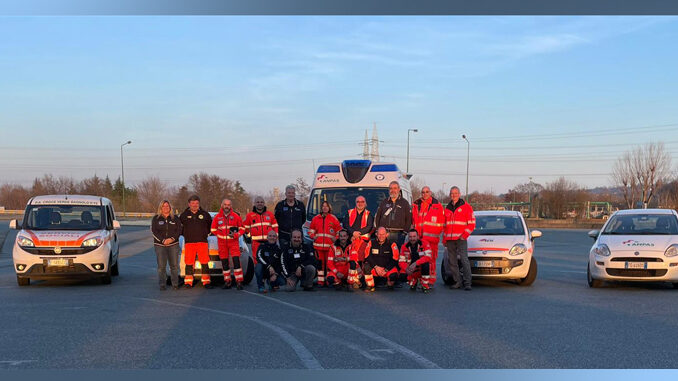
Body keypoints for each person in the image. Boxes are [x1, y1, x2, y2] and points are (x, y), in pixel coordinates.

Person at [443, 186, 476, 291]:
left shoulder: (466, 207)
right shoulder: (447, 208)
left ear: (459, 194)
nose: (454, 195)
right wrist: (444, 239)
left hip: (461, 239)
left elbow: (472, 224)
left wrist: (464, 235)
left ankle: (467, 283)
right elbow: (445, 225)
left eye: (456, 193)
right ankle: (457, 282)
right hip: (450, 240)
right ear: (450, 194)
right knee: (452, 262)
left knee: (464, 260)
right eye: (452, 193)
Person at [411, 186, 444, 286]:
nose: (425, 194)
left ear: (430, 192)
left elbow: (441, 223)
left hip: (432, 240)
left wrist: (435, 236)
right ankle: (421, 279)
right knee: (418, 259)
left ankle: (430, 280)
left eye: (427, 192)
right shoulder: (417, 205)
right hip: (419, 239)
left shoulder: (437, 205)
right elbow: (413, 221)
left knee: (431, 260)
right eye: (423, 192)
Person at [211, 199, 246, 290]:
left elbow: (242, 229)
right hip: (222, 243)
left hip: (233, 242)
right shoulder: (217, 217)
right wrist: (219, 235)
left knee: (236, 262)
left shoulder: (235, 216)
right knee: (225, 264)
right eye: (225, 204)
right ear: (222, 205)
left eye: (229, 204)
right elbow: (213, 229)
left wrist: (236, 235)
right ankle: (227, 281)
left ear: (231, 206)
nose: (227, 206)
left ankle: (239, 282)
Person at [179, 195, 213, 289]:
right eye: (193, 203)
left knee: (205, 261)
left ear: (199, 204)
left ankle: (206, 282)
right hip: (189, 242)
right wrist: (185, 234)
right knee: (189, 262)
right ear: (189, 204)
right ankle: (188, 282)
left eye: (196, 203)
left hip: (202, 242)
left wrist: (206, 233)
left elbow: (211, 226)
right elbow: (179, 228)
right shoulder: (183, 215)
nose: (195, 205)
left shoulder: (205, 214)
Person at [308, 201, 341, 286]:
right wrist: (313, 236)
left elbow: (339, 231)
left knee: (329, 264)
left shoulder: (333, 218)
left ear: (329, 208)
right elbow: (311, 230)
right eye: (323, 206)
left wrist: (336, 238)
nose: (324, 208)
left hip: (330, 247)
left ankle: (329, 281)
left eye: (326, 206)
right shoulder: (316, 218)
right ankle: (321, 282)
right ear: (321, 208)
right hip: (318, 247)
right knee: (320, 266)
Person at [151, 200, 182, 290]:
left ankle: (175, 284)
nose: (165, 208)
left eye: (167, 206)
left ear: (170, 207)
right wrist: (163, 240)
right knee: (161, 266)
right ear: (160, 208)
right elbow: (154, 231)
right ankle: (162, 284)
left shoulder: (175, 218)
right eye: (163, 206)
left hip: (173, 244)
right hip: (160, 245)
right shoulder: (156, 218)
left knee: (174, 266)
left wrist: (171, 239)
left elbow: (179, 230)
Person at [374, 181, 412, 248]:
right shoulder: (384, 202)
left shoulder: (404, 203)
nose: (393, 190)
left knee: (397, 254)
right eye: (391, 188)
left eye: (395, 188)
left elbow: (409, 219)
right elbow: (378, 217)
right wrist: (378, 230)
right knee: (385, 253)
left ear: (399, 189)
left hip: (399, 234)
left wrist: (405, 232)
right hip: (385, 234)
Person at [363, 227, 400, 292]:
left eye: (383, 234)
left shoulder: (392, 244)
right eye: (379, 234)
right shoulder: (371, 242)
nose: (381, 236)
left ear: (387, 234)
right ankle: (370, 285)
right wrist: (376, 267)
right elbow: (367, 256)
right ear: (376, 234)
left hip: (386, 269)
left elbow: (395, 259)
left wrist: (385, 270)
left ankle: (390, 284)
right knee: (366, 267)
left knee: (394, 276)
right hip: (375, 268)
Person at [244, 196, 278, 265]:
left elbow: (275, 227)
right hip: (256, 243)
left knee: (270, 260)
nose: (260, 204)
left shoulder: (270, 214)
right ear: (254, 204)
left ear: (264, 203)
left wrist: (275, 237)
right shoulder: (250, 215)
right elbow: (245, 227)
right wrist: (248, 236)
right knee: (257, 263)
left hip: (269, 243)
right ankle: (259, 275)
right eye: (258, 202)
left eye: (262, 202)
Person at [400, 229, 433, 293]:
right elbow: (401, 261)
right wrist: (406, 269)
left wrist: (416, 263)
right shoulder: (404, 246)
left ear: (418, 236)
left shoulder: (425, 244)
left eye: (414, 236)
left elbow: (428, 257)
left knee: (426, 265)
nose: (412, 239)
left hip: (420, 268)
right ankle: (413, 281)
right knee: (401, 275)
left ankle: (424, 285)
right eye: (410, 237)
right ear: (408, 237)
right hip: (410, 269)